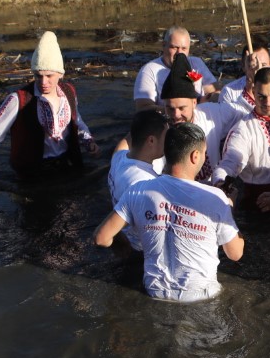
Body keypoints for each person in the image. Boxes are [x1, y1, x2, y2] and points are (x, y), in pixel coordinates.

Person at [94, 122, 244, 303]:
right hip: (201, 298)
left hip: (154, 292)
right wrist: (229, 208)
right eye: (204, 153)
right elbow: (235, 254)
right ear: (195, 156)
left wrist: (122, 246)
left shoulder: (138, 190)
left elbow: (101, 238)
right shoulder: (215, 198)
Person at [0, 31, 99, 190]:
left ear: (60, 74)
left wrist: (88, 140)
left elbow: (76, 121)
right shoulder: (18, 99)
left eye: (49, 75)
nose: (43, 82)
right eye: (38, 76)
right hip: (32, 178)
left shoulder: (69, 92)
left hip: (67, 168)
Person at [213, 67, 270, 207]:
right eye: (262, 97)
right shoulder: (243, 130)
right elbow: (229, 165)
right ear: (254, 93)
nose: (268, 103)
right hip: (260, 204)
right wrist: (220, 182)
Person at [159, 53, 235, 184]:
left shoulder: (211, 113)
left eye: (182, 108)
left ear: (194, 102)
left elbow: (244, 112)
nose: (176, 115)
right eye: (170, 109)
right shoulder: (160, 131)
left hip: (212, 187)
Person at [106, 109, 169, 250]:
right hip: (140, 250)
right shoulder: (147, 183)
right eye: (166, 135)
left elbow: (126, 140)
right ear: (151, 140)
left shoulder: (119, 157)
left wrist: (144, 121)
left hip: (121, 234)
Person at [133, 25, 218, 110]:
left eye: (184, 48)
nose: (179, 53)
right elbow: (143, 107)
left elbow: (215, 91)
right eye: (174, 47)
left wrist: (206, 100)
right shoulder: (149, 70)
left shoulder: (197, 64)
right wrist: (174, 111)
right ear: (164, 45)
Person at [218, 41, 270, 117]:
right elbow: (226, 127)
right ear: (243, 66)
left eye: (263, 65)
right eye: (252, 66)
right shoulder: (229, 92)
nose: (258, 70)